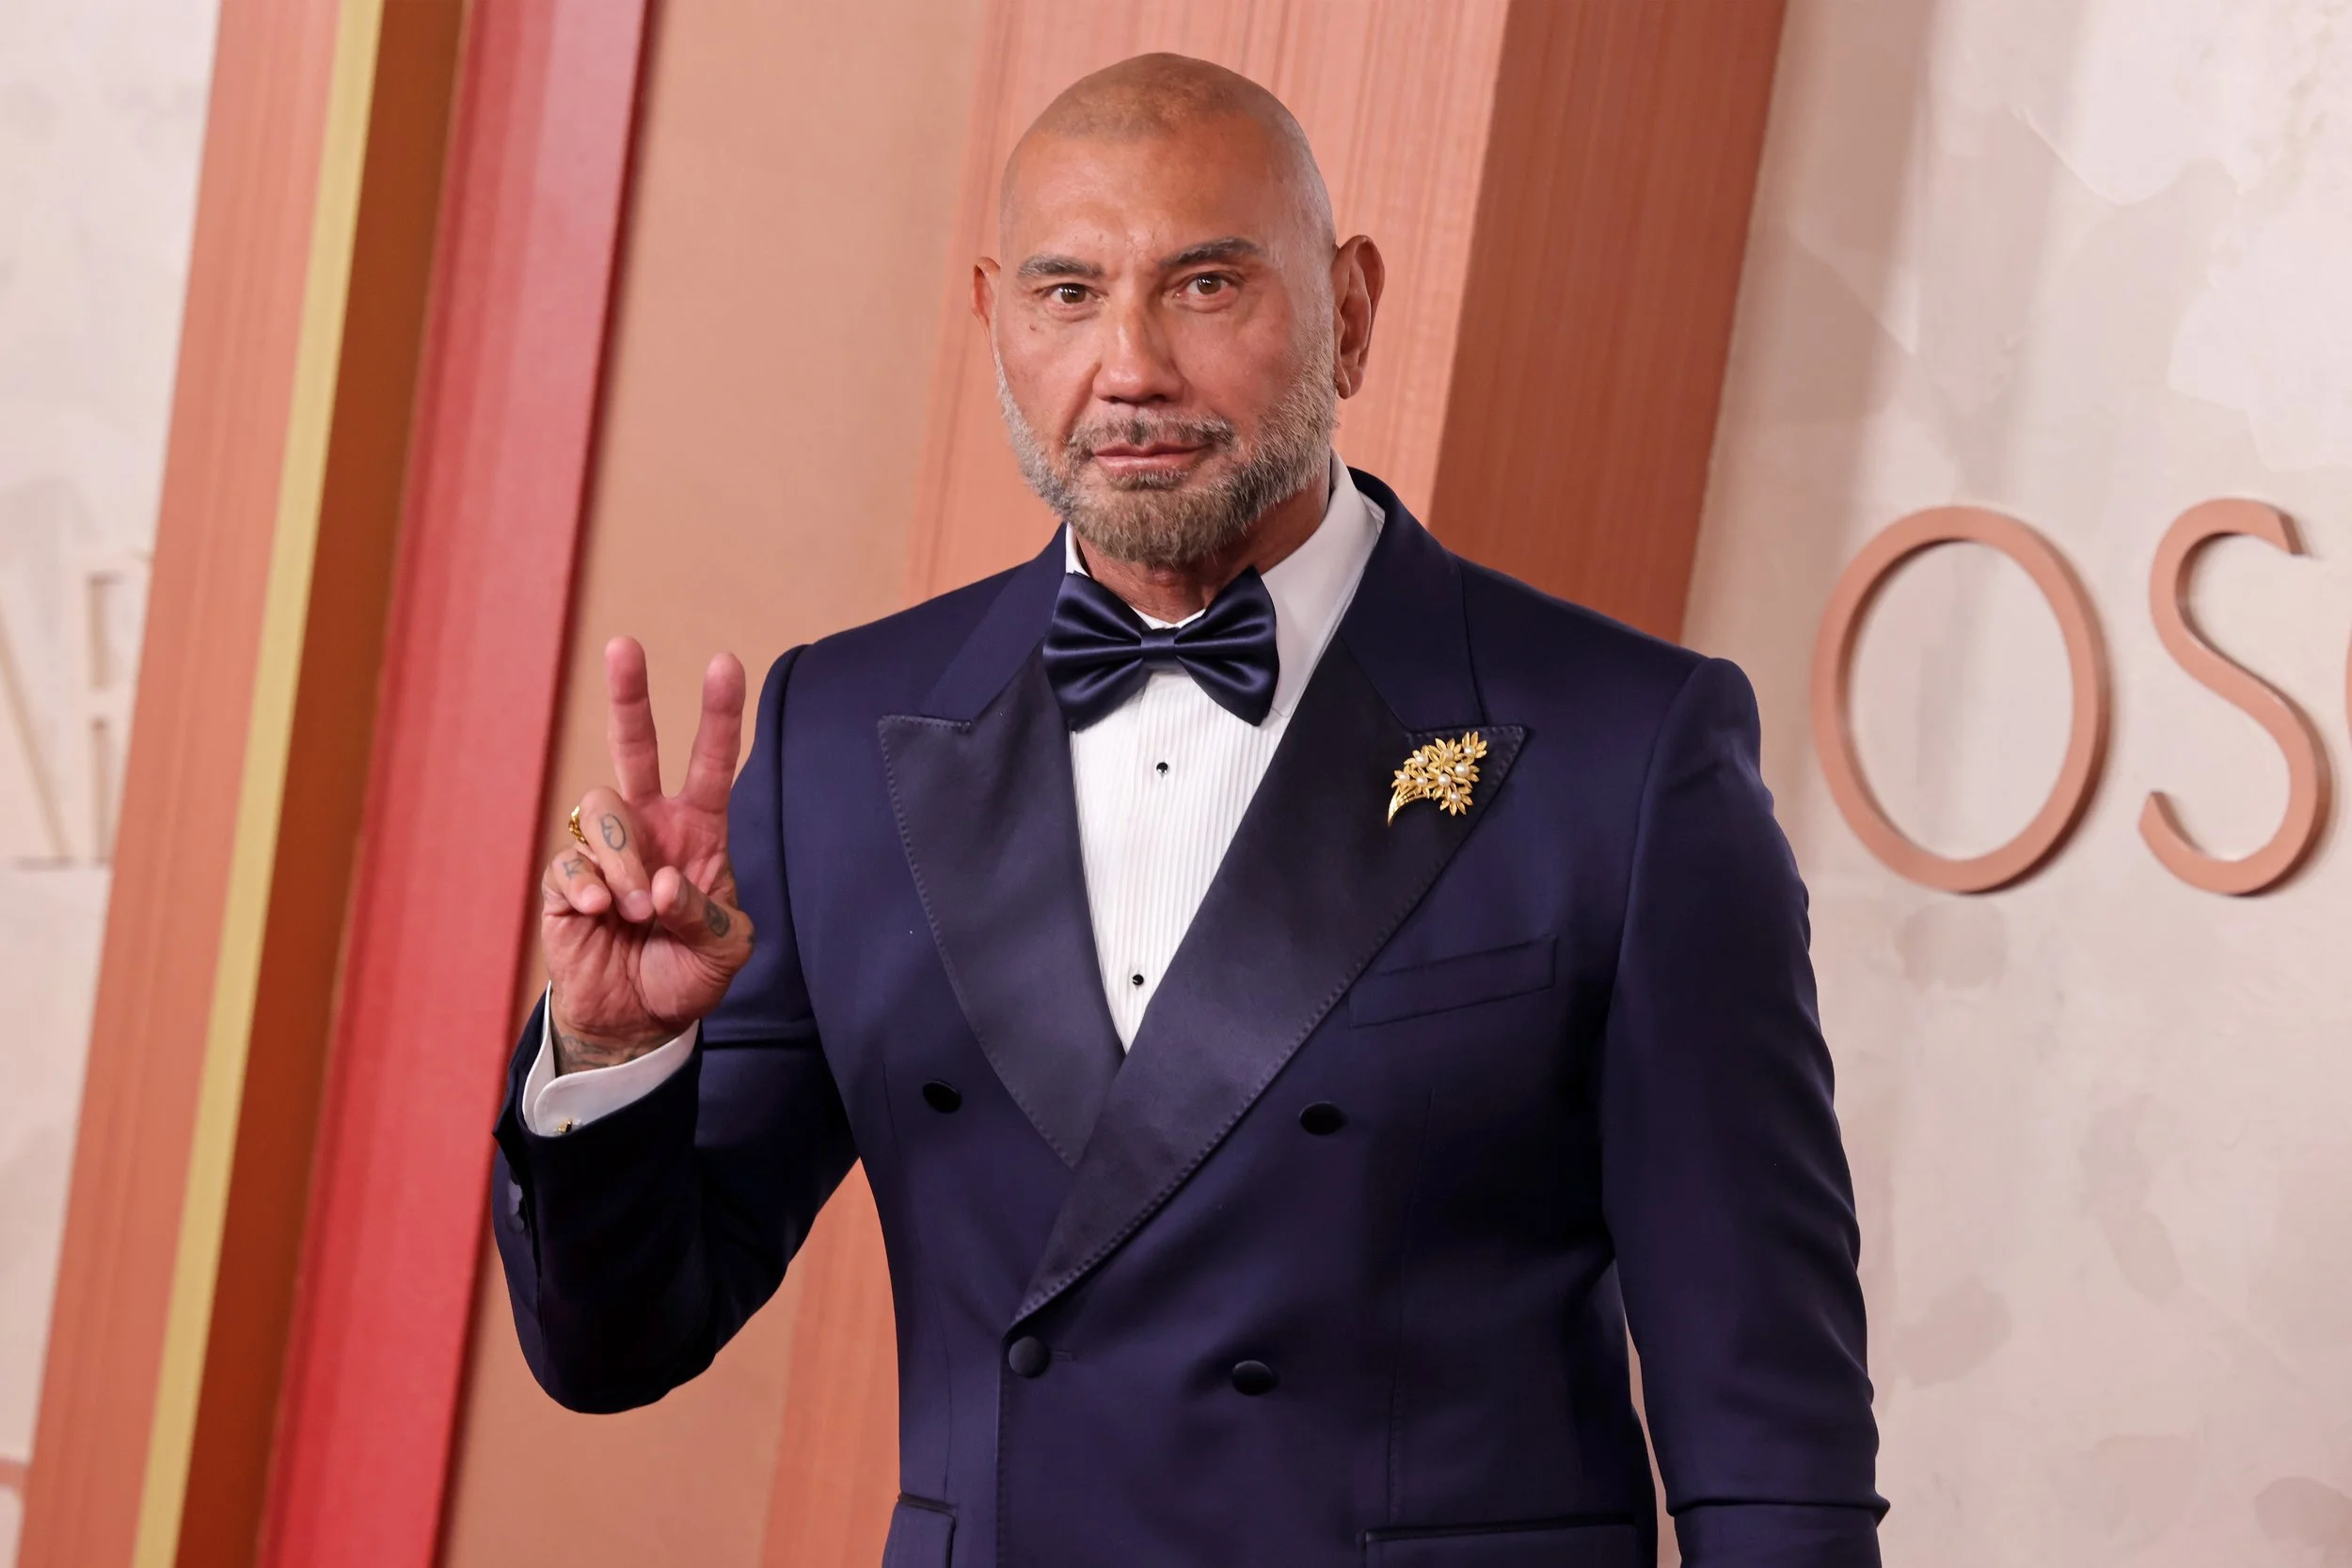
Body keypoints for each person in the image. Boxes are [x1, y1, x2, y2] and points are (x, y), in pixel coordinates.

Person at [493, 53, 1883, 1568]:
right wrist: (618, 1060)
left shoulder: (1629, 749)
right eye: (1068, 293)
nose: (1133, 364)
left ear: (1347, 311)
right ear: (992, 318)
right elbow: (617, 1344)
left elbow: (1768, 1434)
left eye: (1208, 284)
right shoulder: (841, 736)